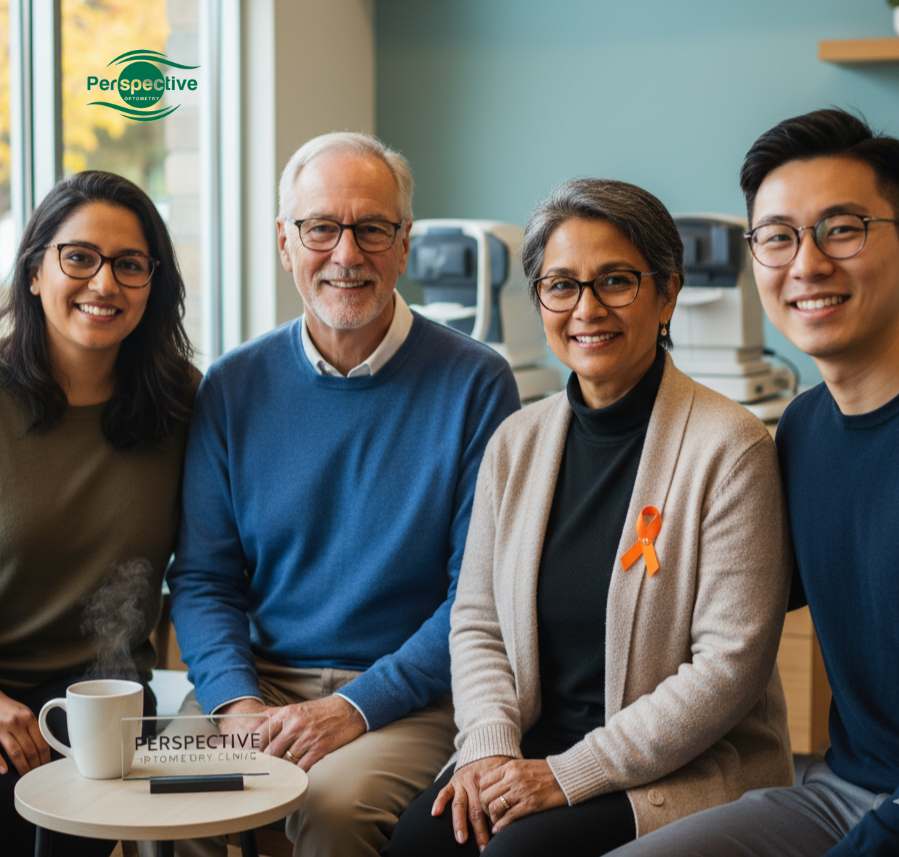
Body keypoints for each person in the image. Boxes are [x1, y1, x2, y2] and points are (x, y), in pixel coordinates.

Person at [386, 178, 794, 857]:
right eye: (562, 285)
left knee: (515, 853)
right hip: (530, 750)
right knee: (418, 843)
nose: (587, 308)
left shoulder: (731, 447)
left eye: (615, 281)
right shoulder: (515, 443)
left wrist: (565, 775)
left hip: (669, 769)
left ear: (667, 294)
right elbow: (478, 621)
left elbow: (726, 668)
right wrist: (488, 747)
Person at [165, 131, 520, 857]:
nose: (347, 254)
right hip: (260, 680)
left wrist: (355, 707)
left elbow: (478, 596)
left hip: (410, 695)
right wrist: (236, 702)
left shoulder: (477, 383)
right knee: (167, 792)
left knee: (332, 808)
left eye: (372, 229)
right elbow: (203, 578)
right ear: (285, 242)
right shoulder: (232, 386)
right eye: (321, 228)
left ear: (404, 243)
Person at [605, 109, 899, 857]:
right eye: (776, 236)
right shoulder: (802, 429)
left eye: (842, 229)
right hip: (841, 792)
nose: (807, 264)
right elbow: (724, 603)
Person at [0, 170, 197, 856]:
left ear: (153, 284)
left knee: (61, 818)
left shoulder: (184, 405)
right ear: (34, 272)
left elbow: (214, 564)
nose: (104, 283)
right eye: (79, 257)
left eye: (130, 264)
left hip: (104, 691)